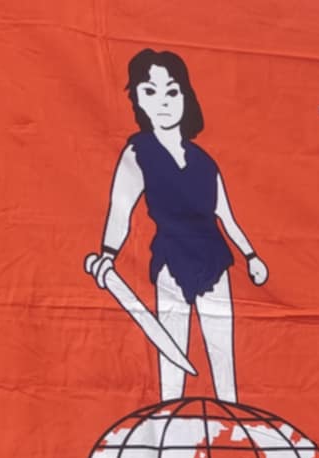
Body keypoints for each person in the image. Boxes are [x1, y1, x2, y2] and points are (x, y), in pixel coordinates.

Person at [88, 48, 266, 401]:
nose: (163, 101)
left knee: (222, 358)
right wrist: (108, 254)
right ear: (138, 99)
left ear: (186, 96)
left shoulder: (204, 161)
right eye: (150, 91)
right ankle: (170, 420)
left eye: (172, 91)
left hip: (214, 262)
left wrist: (251, 256)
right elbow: (120, 209)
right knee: (171, 362)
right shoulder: (138, 152)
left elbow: (225, 216)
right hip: (171, 262)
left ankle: (231, 421)